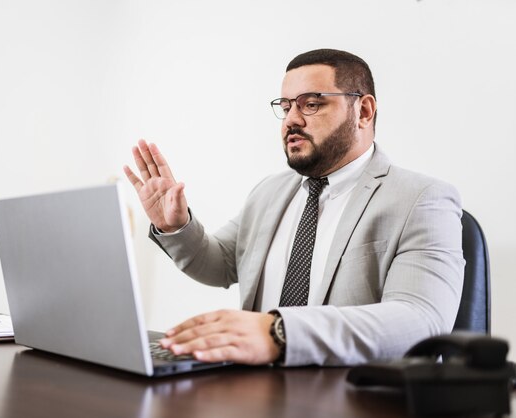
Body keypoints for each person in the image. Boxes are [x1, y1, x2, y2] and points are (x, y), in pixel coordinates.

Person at [123, 49, 464, 367]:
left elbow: (422, 319)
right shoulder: (270, 192)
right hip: (252, 390)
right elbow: (219, 265)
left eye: (311, 104)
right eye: (286, 107)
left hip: (348, 397)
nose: (291, 121)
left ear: (363, 111)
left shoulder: (422, 198)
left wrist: (281, 332)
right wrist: (176, 226)